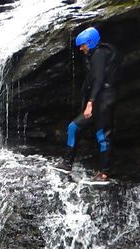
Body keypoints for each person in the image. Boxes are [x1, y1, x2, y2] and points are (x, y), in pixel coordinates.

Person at [53, 26, 120, 184]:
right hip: (99, 100)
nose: (81, 48)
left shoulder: (100, 54)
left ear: (90, 42)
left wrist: (90, 103)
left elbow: (98, 79)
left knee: (102, 136)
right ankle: (67, 163)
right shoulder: (96, 54)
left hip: (103, 101)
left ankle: (104, 174)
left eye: (83, 45)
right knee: (73, 127)